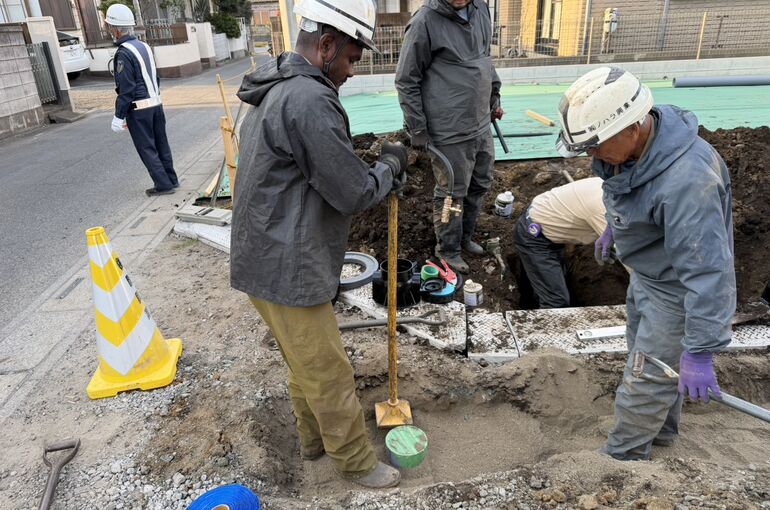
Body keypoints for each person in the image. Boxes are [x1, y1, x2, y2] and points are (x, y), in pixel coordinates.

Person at [230, 0, 408, 489]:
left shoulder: (277, 86)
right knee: (328, 371)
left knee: (302, 361)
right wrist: (390, 167)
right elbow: (352, 192)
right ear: (326, 45)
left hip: (261, 254)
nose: (351, 71)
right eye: (350, 58)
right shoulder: (309, 99)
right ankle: (354, 462)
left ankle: (312, 442)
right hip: (287, 263)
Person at [556, 66, 736, 460]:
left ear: (632, 127)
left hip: (675, 293)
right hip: (648, 277)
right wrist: (616, 227)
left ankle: (623, 458)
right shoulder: (635, 151)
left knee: (646, 377)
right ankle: (662, 435)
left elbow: (709, 273)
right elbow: (630, 190)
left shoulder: (688, 182)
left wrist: (700, 349)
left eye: (595, 145)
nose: (590, 155)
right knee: (646, 362)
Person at [395, 0, 503, 274]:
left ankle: (465, 237)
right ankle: (448, 249)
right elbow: (406, 80)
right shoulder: (424, 22)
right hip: (449, 130)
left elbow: (485, 59)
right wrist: (417, 127)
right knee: (452, 193)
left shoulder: (481, 9)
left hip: (480, 122)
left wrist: (494, 95)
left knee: (480, 183)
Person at [105, 3, 178, 196]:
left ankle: (163, 185)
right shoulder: (144, 46)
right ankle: (171, 179)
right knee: (162, 144)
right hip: (156, 104)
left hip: (139, 109)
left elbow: (127, 88)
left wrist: (119, 116)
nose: (109, 30)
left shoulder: (124, 53)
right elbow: (155, 77)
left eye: (110, 27)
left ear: (116, 29)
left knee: (147, 148)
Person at [513, 177, 608, 308]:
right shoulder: (601, 208)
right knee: (556, 302)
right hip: (534, 237)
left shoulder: (606, 183)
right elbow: (626, 253)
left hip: (548, 221)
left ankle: (534, 301)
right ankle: (537, 312)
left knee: (549, 282)